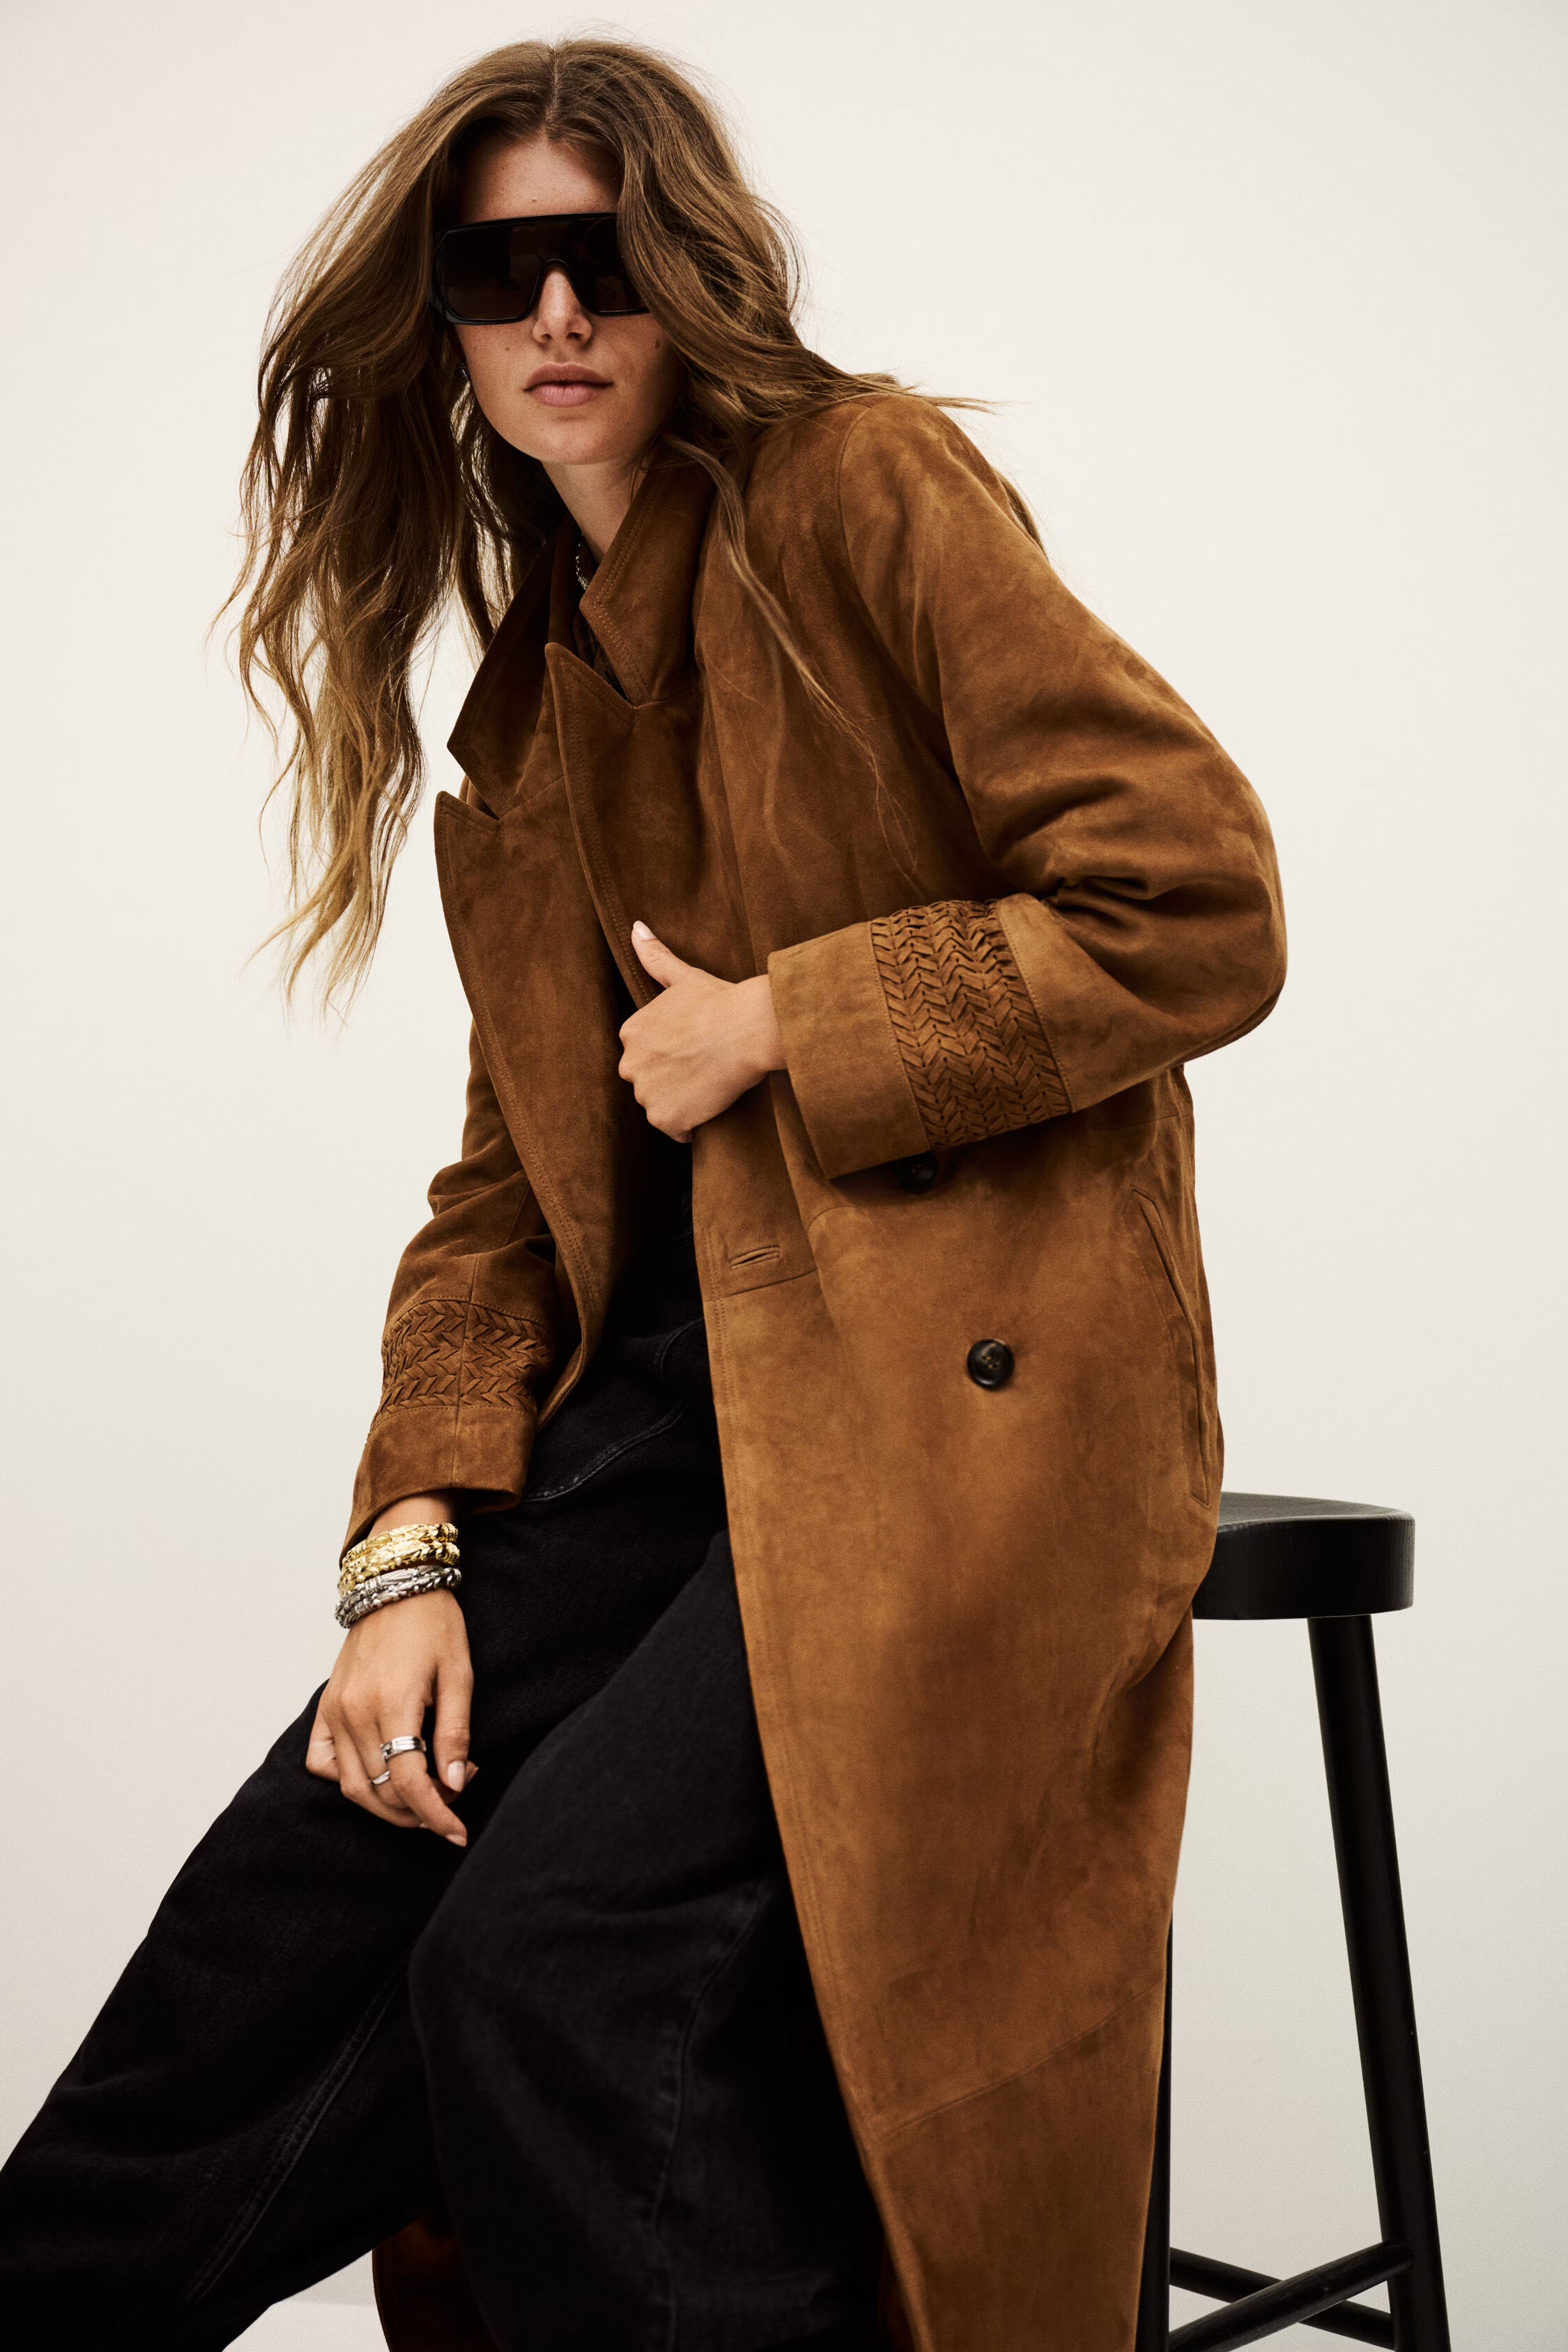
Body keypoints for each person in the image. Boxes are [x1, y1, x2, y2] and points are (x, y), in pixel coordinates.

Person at [0, 34, 1286, 2352]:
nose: (559, 316)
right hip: (666, 1435)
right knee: (278, 1924)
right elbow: (504, 1188)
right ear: (442, 321)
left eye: (605, 259)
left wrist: (789, 1018)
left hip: (945, 1413)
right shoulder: (526, 709)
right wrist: (407, 1544)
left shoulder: (865, 490)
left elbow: (1193, 900)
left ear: (694, 276)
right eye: (500, 272)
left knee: (546, 1955)